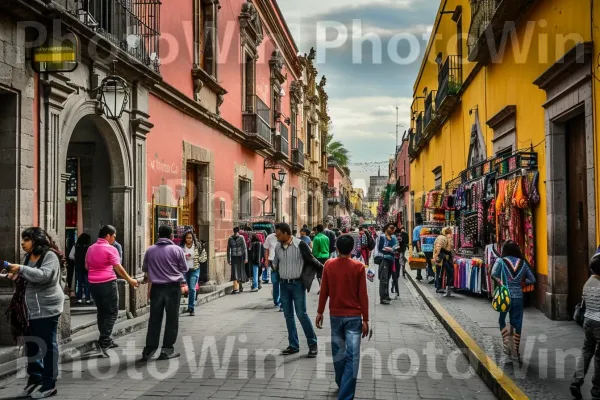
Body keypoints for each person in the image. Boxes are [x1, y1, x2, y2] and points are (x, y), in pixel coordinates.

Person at [6, 228, 66, 399]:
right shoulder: (28, 257)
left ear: (37, 240)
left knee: (47, 345)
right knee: (32, 344)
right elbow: (29, 277)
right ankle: (35, 378)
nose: (22, 243)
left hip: (48, 308)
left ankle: (49, 384)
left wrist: (21, 269)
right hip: (30, 308)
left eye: (26, 239)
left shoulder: (50, 256)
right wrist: (15, 275)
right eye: (22, 240)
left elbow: (44, 276)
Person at [316, 234, 369, 400]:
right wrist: (366, 319)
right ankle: (345, 393)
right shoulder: (359, 267)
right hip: (354, 318)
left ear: (336, 248)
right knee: (352, 356)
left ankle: (342, 382)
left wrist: (320, 311)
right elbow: (363, 295)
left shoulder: (329, 265)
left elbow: (324, 290)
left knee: (338, 353)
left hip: (335, 316)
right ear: (352, 249)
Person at [86, 225, 139, 355]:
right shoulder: (111, 249)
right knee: (112, 312)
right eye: (113, 236)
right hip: (108, 283)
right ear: (108, 235)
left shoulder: (90, 248)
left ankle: (107, 339)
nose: (114, 239)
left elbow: (87, 266)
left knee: (102, 311)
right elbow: (118, 267)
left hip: (93, 284)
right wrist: (130, 280)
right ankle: (104, 341)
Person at [141, 225, 189, 361]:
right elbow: (184, 268)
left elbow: (146, 268)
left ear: (158, 235)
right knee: (172, 319)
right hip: (173, 288)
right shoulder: (177, 250)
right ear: (171, 236)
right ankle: (167, 350)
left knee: (154, 319)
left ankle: (149, 350)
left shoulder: (150, 250)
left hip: (156, 288)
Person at [273, 223, 320, 357]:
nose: (276, 235)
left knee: (301, 314)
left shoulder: (300, 245)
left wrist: (326, 272)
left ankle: (312, 344)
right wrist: (274, 266)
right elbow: (275, 262)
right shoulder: (277, 247)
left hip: (297, 285)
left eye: (279, 233)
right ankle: (293, 345)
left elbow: (312, 260)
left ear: (286, 233)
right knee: (288, 315)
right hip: (284, 285)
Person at [491, 240, 536, 363]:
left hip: (505, 296)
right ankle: (516, 351)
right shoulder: (523, 263)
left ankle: (507, 346)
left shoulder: (501, 261)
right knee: (517, 323)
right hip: (518, 296)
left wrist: (501, 282)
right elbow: (532, 279)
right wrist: (523, 283)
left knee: (501, 320)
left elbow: (493, 274)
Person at [571, 252, 600, 400]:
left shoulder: (588, 282)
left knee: (586, 351)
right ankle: (597, 390)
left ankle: (576, 381)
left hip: (588, 322)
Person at [180, 230, 203, 316]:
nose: (189, 239)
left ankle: (191, 308)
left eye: (190, 238)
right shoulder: (181, 247)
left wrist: (200, 258)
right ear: (185, 238)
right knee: (181, 288)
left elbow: (202, 256)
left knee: (192, 289)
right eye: (187, 238)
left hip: (195, 269)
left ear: (193, 238)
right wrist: (184, 256)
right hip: (184, 270)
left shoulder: (197, 246)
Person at [69, 233, 92, 304]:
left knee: (78, 282)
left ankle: (79, 298)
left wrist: (76, 259)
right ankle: (87, 299)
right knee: (87, 283)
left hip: (78, 266)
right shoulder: (89, 247)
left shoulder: (75, 246)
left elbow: (70, 256)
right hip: (87, 267)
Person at [377, 223, 397, 305]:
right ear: (386, 228)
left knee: (388, 278)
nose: (392, 230)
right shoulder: (382, 237)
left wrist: (394, 249)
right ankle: (383, 297)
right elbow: (379, 248)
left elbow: (395, 247)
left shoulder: (392, 238)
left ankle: (386, 295)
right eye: (390, 228)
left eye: (393, 228)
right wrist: (388, 250)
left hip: (391, 260)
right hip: (384, 259)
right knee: (383, 278)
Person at [433, 227, 454, 296]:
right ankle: (439, 287)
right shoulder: (442, 238)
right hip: (442, 258)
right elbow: (439, 248)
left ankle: (439, 287)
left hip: (443, 257)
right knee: (440, 273)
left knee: (440, 272)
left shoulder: (443, 237)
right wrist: (438, 257)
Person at [264, 229, 281, 310]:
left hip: (282, 261)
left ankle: (281, 301)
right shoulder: (270, 237)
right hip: (272, 261)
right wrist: (266, 260)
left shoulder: (284, 236)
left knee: (282, 282)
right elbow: (266, 249)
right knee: (275, 282)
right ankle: (276, 300)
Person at [227, 227, 248, 294]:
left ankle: (240, 286)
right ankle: (236, 287)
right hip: (234, 256)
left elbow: (245, 248)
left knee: (240, 271)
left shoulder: (241, 237)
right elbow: (228, 250)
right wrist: (229, 259)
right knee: (235, 271)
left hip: (240, 256)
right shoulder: (230, 238)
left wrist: (246, 258)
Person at [312, 225, 330, 291]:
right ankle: (325, 286)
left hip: (319, 257)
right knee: (324, 272)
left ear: (316, 230)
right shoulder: (326, 238)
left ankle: (321, 287)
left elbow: (315, 250)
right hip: (326, 256)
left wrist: (313, 257)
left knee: (319, 274)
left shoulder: (316, 238)